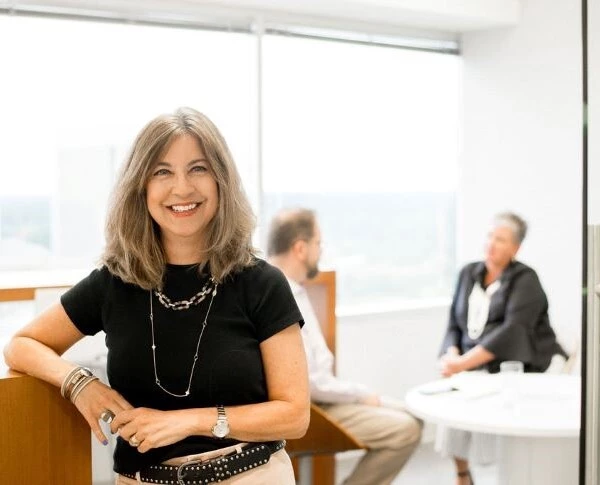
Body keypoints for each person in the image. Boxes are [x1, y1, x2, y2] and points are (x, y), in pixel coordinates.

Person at [3, 107, 310, 484]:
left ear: (221, 182)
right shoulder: (114, 283)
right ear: (141, 187)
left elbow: (295, 416)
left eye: (198, 168)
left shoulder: (262, 284)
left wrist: (185, 422)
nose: (182, 188)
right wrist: (80, 383)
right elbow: (22, 344)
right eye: (162, 171)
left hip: (246, 473)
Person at [267, 208, 422, 485]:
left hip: (316, 401)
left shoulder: (288, 289)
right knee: (407, 427)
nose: (321, 251)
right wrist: (363, 395)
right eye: (318, 244)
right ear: (300, 248)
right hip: (312, 408)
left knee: (410, 415)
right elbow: (311, 382)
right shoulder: (282, 294)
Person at [437, 212, 568, 485]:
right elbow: (454, 322)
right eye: (489, 236)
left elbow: (511, 333)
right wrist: (451, 354)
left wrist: (463, 364)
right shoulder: (468, 273)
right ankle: (462, 474)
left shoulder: (526, 280)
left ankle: (507, 474)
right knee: (451, 402)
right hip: (475, 363)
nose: (491, 244)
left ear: (515, 248)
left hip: (519, 362)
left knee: (490, 405)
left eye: (500, 239)